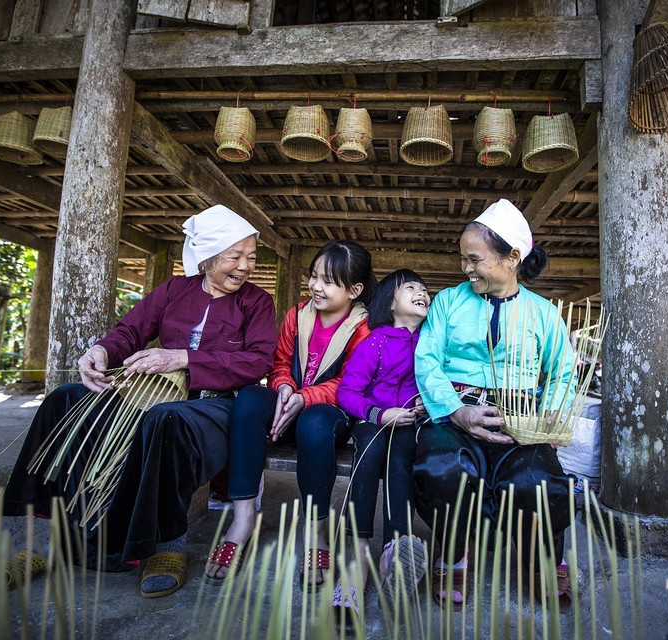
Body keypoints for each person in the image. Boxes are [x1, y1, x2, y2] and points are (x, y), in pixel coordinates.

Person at [0, 205, 277, 599]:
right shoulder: (173, 290)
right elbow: (129, 332)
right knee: (65, 400)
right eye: (236, 256)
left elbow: (258, 361)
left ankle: (167, 548)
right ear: (208, 257)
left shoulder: (256, 303)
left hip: (214, 405)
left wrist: (183, 358)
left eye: (251, 257)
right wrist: (99, 351)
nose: (246, 266)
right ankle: (50, 538)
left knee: (166, 421)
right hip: (150, 392)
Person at [413, 198, 577, 612]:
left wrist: (551, 419)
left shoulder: (544, 314)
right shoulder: (450, 302)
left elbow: (562, 374)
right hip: (456, 410)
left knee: (538, 482)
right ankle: (453, 552)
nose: (466, 268)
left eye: (475, 259)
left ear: (513, 257)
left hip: (520, 420)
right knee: (442, 469)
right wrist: (456, 411)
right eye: (463, 258)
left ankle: (541, 558)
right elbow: (427, 359)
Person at [206, 241, 374, 586]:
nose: (315, 286)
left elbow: (351, 383)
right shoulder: (297, 314)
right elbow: (280, 362)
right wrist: (283, 387)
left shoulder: (363, 329)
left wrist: (305, 397)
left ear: (354, 289)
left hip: (332, 411)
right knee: (251, 399)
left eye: (328, 281)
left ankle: (315, 532)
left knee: (315, 423)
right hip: (289, 400)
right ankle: (242, 521)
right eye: (314, 276)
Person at [332, 269, 432, 619]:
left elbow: (436, 386)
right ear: (391, 303)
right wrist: (378, 414)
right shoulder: (374, 342)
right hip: (371, 422)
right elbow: (347, 392)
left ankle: (396, 547)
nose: (421, 291)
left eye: (424, 289)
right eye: (411, 288)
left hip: (408, 425)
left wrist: (424, 405)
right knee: (371, 452)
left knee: (402, 457)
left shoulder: (430, 345)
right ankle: (358, 552)